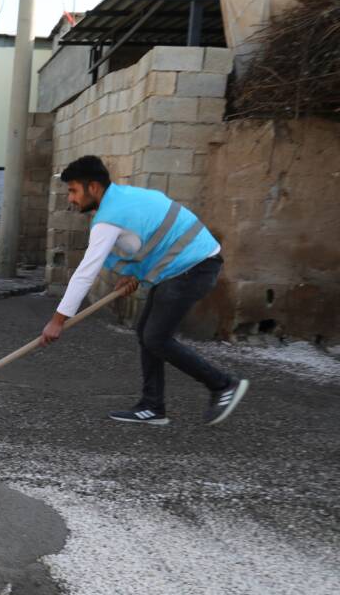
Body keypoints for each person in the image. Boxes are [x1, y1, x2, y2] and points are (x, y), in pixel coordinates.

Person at [40, 155, 248, 426]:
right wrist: (130, 273)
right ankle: (152, 407)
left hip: (192, 267)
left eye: (73, 190)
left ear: (93, 187)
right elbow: (146, 237)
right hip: (188, 265)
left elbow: (85, 273)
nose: (70, 198)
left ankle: (222, 385)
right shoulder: (124, 198)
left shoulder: (109, 218)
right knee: (146, 332)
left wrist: (58, 321)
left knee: (156, 338)